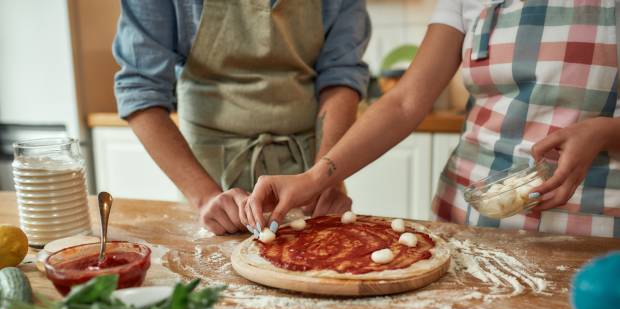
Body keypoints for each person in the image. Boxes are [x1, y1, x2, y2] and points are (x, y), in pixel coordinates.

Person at [243, 0, 620, 238]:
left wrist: (606, 133)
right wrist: (315, 178)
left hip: (589, 226)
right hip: (468, 217)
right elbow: (405, 102)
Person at [112, 0, 370, 236]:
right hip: (208, 177)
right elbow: (140, 90)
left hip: (308, 174)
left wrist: (323, 178)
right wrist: (205, 197)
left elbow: (341, 77)